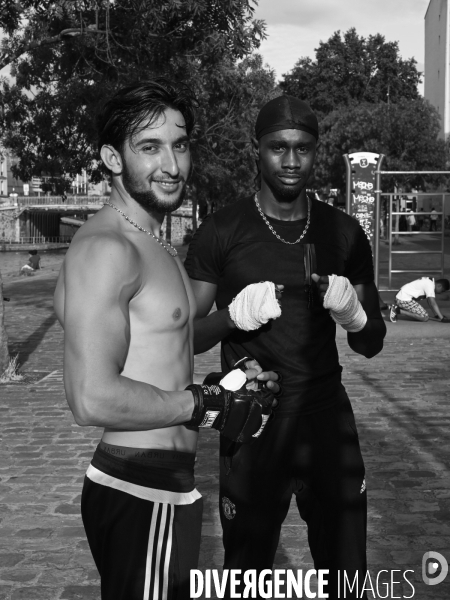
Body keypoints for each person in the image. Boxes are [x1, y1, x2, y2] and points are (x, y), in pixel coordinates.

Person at [53, 79, 278, 600]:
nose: (172, 165)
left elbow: (163, 339)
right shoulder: (106, 249)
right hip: (139, 487)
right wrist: (204, 403)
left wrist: (232, 326)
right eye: (150, 147)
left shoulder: (153, 240)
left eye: (179, 145)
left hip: (164, 483)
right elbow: (90, 397)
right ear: (113, 157)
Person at [185, 95, 387, 599]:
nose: (291, 161)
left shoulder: (343, 232)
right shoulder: (222, 231)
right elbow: (182, 336)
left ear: (317, 151)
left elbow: (371, 343)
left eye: (303, 149)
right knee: (247, 577)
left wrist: (354, 314)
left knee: (347, 574)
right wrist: (230, 318)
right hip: (253, 418)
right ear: (257, 149)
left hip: (325, 419)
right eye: (279, 148)